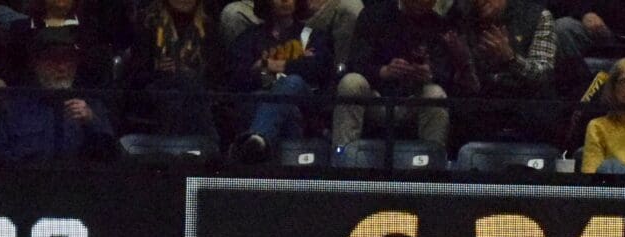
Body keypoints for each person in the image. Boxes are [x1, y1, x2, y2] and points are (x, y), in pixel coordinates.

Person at [331, 0, 469, 149]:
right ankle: (343, 158)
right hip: (376, 96)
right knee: (351, 82)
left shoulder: (438, 25)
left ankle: (429, 164)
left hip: (413, 99)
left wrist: (428, 74)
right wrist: (384, 71)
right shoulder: (374, 15)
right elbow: (355, 62)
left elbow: (445, 72)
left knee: (435, 94)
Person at [0, 26, 117, 160]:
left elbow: (110, 158)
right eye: (53, 59)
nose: (62, 67)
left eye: (68, 58)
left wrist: (91, 121)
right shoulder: (10, 106)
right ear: (35, 63)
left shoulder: (92, 104)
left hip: (78, 178)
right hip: (24, 178)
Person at [228, 0, 335, 161]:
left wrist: (266, 64)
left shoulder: (313, 35)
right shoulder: (250, 37)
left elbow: (318, 69)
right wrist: (297, 63)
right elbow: (237, 76)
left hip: (306, 103)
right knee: (285, 110)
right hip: (273, 105)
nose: (285, 1)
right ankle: (265, 155)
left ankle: (256, 141)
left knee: (292, 82)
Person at [452, 0, 558, 144]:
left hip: (526, 102)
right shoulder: (465, 19)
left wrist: (510, 59)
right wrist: (464, 64)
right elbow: (470, 85)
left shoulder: (538, 16)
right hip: (483, 105)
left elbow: (543, 74)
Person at [129, 0, 221, 138]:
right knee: (176, 94)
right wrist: (158, 68)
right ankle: (208, 146)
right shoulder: (148, 21)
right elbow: (135, 74)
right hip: (156, 86)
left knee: (185, 89)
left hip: (200, 88)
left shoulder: (208, 24)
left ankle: (175, 153)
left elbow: (219, 72)